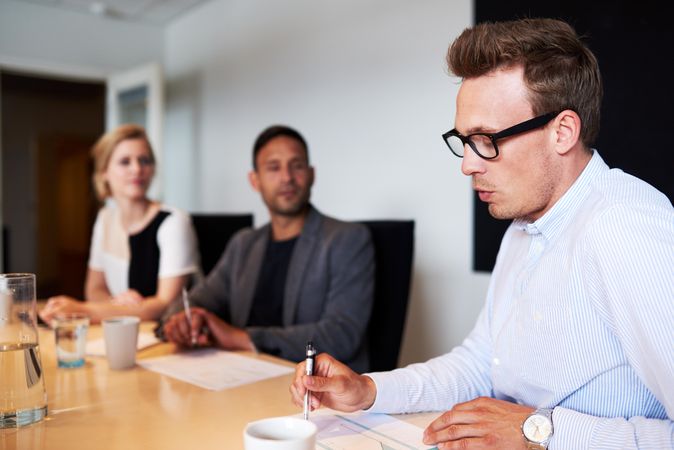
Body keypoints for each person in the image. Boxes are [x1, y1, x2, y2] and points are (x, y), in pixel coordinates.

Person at [290, 18, 674, 449]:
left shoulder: (628, 229)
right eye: (464, 140)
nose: (468, 164)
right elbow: (479, 364)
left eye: (486, 139)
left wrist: (540, 432)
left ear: (562, 132)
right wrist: (368, 390)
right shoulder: (522, 228)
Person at [162, 125, 375, 372]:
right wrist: (183, 320)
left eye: (296, 166)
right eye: (273, 167)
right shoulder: (243, 244)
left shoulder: (347, 240)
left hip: (313, 388)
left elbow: (342, 334)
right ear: (255, 180)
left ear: (312, 174)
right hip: (241, 373)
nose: (286, 177)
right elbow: (199, 298)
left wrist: (244, 338)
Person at [39, 124, 200, 324]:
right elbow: (94, 289)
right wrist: (116, 304)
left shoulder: (174, 223)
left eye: (144, 160)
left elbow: (164, 305)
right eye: (125, 162)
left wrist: (83, 310)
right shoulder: (105, 219)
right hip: (124, 332)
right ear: (104, 171)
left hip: (168, 337)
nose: (137, 169)